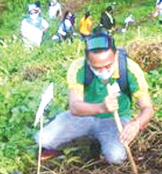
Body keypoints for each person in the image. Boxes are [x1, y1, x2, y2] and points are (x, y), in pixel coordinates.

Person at [35, 33, 154, 164]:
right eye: (97, 68)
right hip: (85, 116)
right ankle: (85, 143)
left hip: (116, 120)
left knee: (116, 157)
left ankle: (103, 143)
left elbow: (147, 108)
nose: (103, 72)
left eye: (108, 66)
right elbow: (75, 107)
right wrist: (101, 108)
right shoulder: (78, 68)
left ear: (116, 55)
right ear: (87, 60)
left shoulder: (129, 69)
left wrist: (136, 124)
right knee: (43, 139)